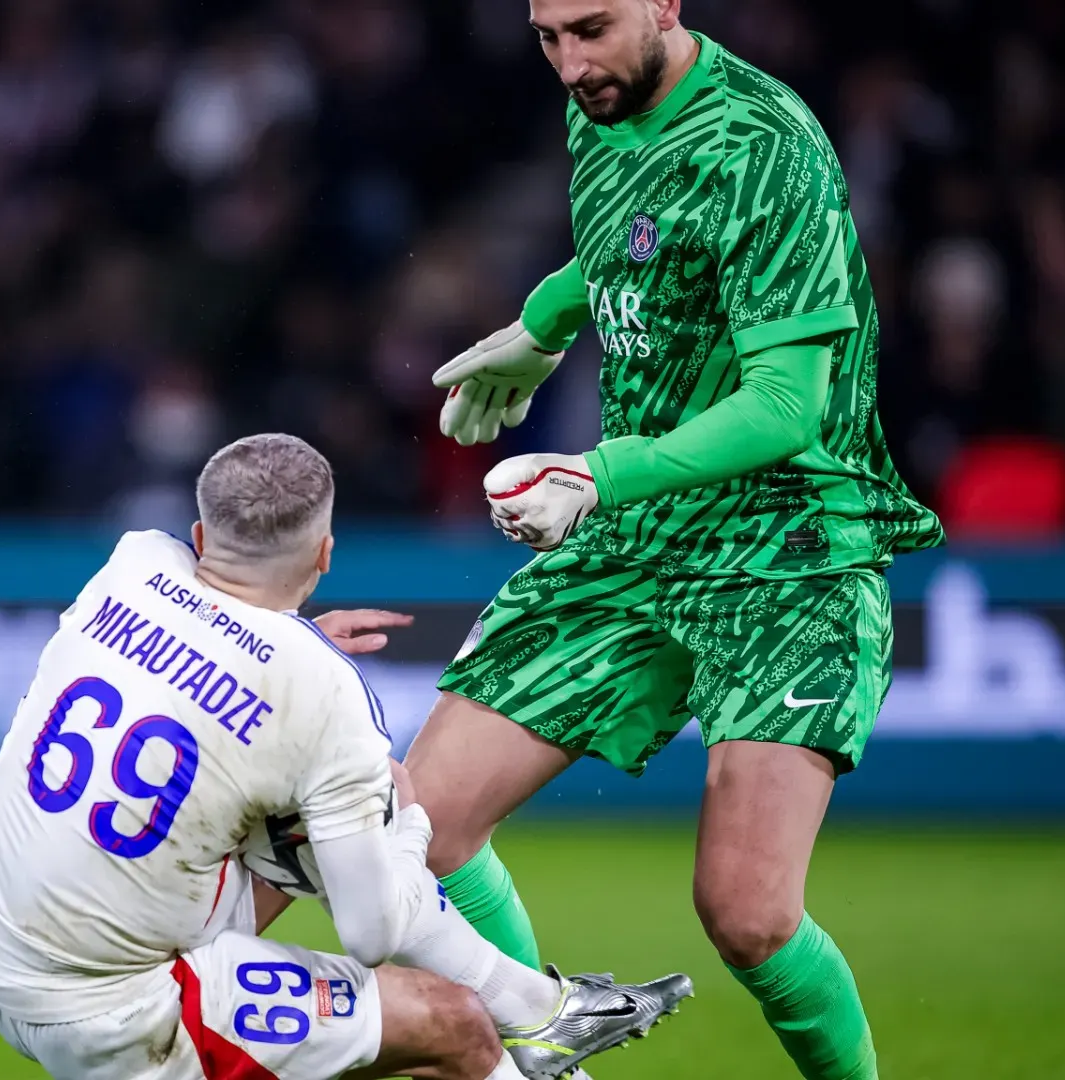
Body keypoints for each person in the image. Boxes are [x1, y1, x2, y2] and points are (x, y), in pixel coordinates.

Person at [413, 3, 946, 1080]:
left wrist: (595, 474)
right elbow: (631, 241)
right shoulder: (599, 107)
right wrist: (547, 321)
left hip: (790, 546)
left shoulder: (765, 147)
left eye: (592, 29)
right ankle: (548, 1060)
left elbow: (785, 407)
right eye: (547, 36)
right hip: (641, 534)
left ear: (666, 0)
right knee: (417, 829)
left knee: (746, 913)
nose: (571, 64)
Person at [0, 434, 690, 1080]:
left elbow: (215, 638)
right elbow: (370, 935)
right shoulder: (321, 692)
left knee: (304, 825)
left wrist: (293, 648)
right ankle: (538, 1013)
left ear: (199, 533)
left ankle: (542, 1010)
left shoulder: (133, 561)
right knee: (456, 1024)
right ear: (326, 553)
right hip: (120, 1009)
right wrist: (410, 834)